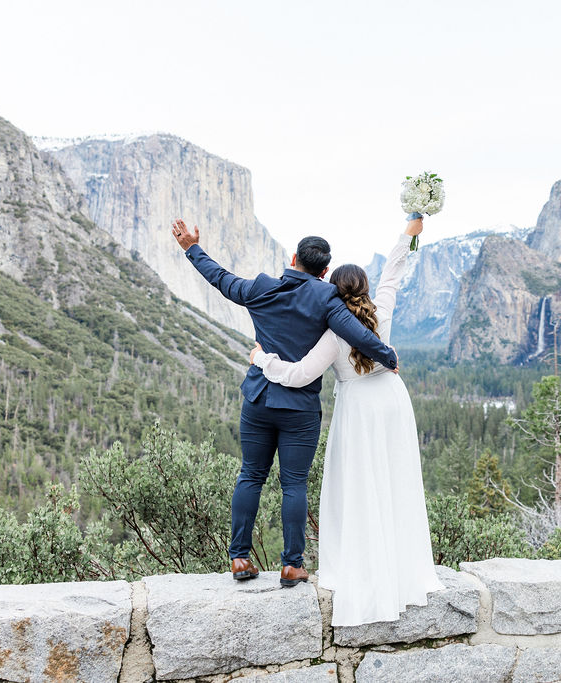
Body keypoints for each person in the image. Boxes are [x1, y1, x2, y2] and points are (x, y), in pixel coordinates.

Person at [171, 218, 399, 587]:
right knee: (294, 485)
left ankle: (240, 559)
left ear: (293, 258)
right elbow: (358, 334)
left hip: (259, 399)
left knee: (250, 476)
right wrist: (388, 357)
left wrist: (191, 249)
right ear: (325, 271)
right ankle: (292, 565)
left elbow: (222, 279)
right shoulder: (327, 298)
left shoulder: (261, 289)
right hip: (299, 410)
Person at [249, 216, 443, 626]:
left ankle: (361, 564)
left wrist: (262, 359)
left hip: (358, 411)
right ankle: (401, 565)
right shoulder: (382, 313)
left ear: (332, 292)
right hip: (392, 403)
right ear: (365, 290)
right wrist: (408, 233)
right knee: (394, 481)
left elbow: (301, 374)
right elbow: (393, 272)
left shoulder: (334, 334)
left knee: (357, 486)